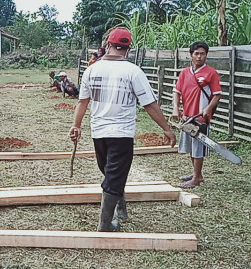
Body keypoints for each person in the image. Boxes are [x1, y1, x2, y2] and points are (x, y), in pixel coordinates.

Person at [69, 27, 176, 232]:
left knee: (111, 173)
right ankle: (105, 224)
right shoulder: (133, 71)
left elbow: (82, 102)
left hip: (98, 132)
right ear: (128, 49)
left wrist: (76, 125)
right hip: (121, 134)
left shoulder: (92, 69)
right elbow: (150, 104)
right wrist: (166, 128)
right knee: (114, 176)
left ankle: (120, 208)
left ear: (108, 45)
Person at [171, 41, 222, 189]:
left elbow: (217, 95)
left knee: (198, 147)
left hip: (201, 117)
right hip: (187, 116)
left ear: (206, 55)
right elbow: (176, 91)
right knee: (191, 146)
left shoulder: (211, 73)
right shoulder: (185, 72)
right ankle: (197, 174)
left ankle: (196, 178)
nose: (199, 57)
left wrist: (208, 108)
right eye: (196, 53)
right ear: (191, 55)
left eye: (202, 54)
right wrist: (176, 108)